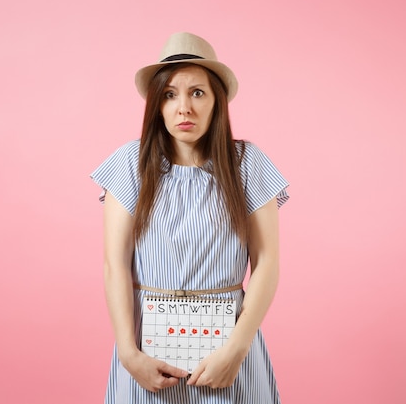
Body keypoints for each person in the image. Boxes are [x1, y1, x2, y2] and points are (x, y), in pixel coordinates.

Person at [91, 32, 289, 403]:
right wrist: (128, 354)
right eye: (169, 94)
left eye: (197, 92)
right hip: (147, 356)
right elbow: (114, 265)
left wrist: (235, 352)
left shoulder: (247, 164)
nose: (184, 107)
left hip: (229, 352)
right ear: (156, 106)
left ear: (217, 102)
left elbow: (267, 263)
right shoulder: (128, 165)